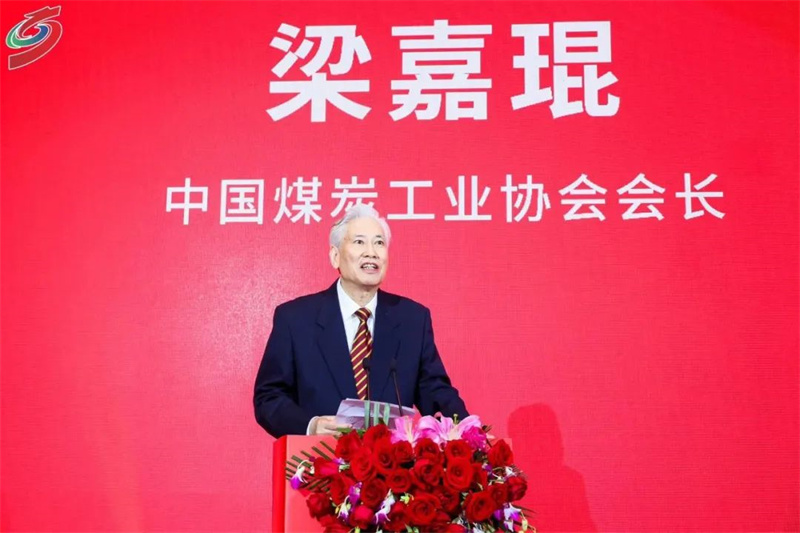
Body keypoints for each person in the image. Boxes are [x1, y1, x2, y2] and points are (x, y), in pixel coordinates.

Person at [253, 204, 468, 438]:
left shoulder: (412, 319)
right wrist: (311, 425)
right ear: (335, 256)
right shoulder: (296, 319)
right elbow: (269, 397)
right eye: (359, 242)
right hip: (320, 456)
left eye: (379, 243)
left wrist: (468, 433)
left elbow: (435, 391)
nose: (371, 252)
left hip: (392, 459)